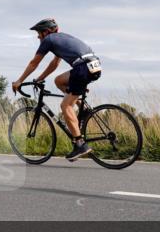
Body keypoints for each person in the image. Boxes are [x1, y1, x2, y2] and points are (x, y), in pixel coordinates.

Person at [11, 19, 102, 161]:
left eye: (39, 33)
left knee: (65, 106)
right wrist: (40, 78)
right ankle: (81, 107)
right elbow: (54, 64)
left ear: (46, 32)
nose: (38, 37)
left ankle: (80, 144)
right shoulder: (61, 39)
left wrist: (19, 81)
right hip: (94, 65)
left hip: (82, 68)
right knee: (59, 81)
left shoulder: (49, 40)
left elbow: (34, 62)